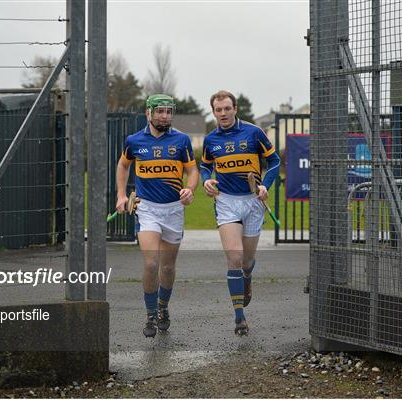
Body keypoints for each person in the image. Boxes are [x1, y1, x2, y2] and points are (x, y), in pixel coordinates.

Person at [116, 94, 199, 338]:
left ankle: (163, 308)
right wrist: (121, 195)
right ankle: (151, 313)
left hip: (173, 209)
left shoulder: (182, 140)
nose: (165, 115)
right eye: (160, 111)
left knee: (168, 267)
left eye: (169, 111)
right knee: (151, 263)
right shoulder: (134, 140)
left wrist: (190, 189)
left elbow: (192, 170)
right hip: (148, 208)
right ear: (148, 113)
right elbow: (123, 165)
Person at [200, 90, 280, 336]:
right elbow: (205, 165)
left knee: (246, 261)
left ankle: (247, 277)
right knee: (234, 259)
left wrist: (266, 184)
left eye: (227, 108)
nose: (223, 113)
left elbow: (274, 161)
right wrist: (206, 180)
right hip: (226, 202)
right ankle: (239, 318)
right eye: (218, 110)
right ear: (214, 112)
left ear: (235, 109)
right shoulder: (211, 139)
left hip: (253, 201)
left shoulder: (254, 133)